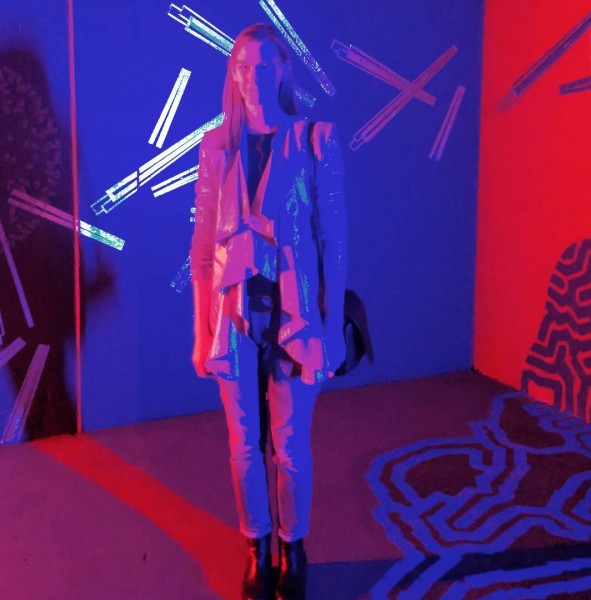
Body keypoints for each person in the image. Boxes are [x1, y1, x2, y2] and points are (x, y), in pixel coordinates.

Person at [190, 22, 348, 600]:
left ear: (282, 69)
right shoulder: (216, 146)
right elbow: (202, 245)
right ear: (233, 75)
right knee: (242, 442)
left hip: (296, 315)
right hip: (233, 318)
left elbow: (334, 239)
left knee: (290, 443)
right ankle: (257, 547)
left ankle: (293, 548)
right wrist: (200, 330)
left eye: (263, 65)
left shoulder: (314, 139)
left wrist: (331, 327)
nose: (253, 77)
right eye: (243, 66)